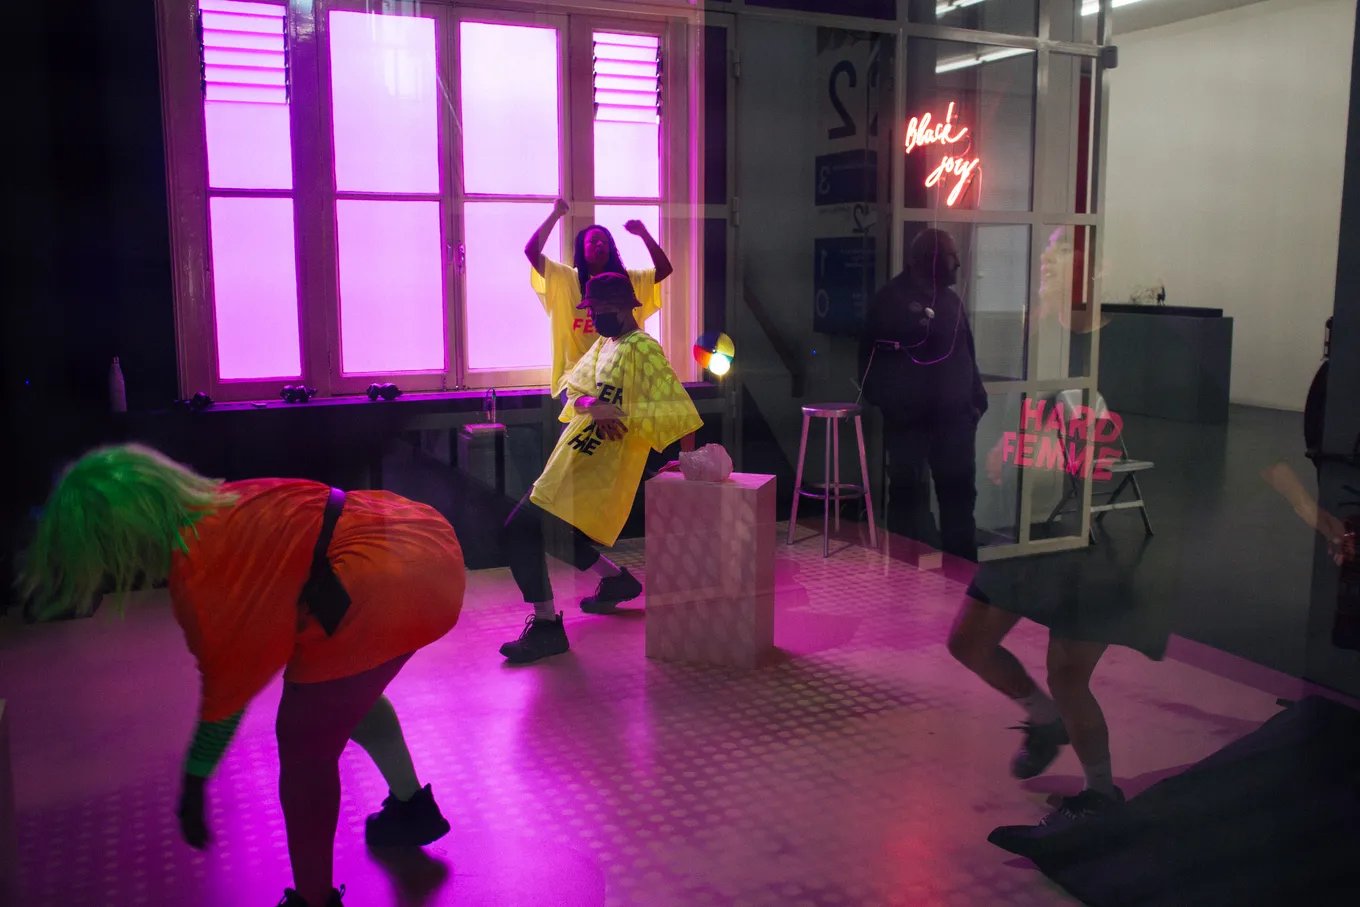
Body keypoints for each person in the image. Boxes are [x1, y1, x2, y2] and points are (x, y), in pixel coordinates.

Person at [20, 445, 466, 907]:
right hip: (422, 543)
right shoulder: (227, 500)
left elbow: (226, 697)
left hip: (383, 581)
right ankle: (412, 808)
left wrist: (194, 783)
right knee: (345, 695)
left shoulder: (198, 571)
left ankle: (314, 900)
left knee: (303, 743)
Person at [499, 273, 702, 664]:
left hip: (601, 464)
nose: (595, 317)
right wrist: (593, 404)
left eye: (602, 309)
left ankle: (546, 627)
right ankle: (614, 580)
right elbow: (571, 389)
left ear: (627, 306)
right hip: (574, 454)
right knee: (550, 527)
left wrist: (688, 460)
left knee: (520, 529)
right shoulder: (604, 345)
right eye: (592, 310)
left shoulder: (642, 349)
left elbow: (677, 409)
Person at [858, 227, 988, 561]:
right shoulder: (890, 302)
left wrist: (975, 401)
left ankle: (962, 583)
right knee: (906, 503)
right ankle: (904, 584)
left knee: (959, 504)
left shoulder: (951, 302)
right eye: (951, 255)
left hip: (955, 425)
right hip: (909, 426)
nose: (958, 263)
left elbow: (967, 355)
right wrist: (894, 406)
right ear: (928, 260)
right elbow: (869, 363)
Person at [525, 199, 674, 394]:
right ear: (581, 248)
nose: (600, 245)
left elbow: (664, 269)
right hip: (576, 378)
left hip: (618, 376)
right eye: (593, 241)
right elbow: (531, 251)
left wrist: (644, 234)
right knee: (582, 418)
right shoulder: (566, 278)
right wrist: (555, 215)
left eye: (605, 242)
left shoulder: (625, 282)